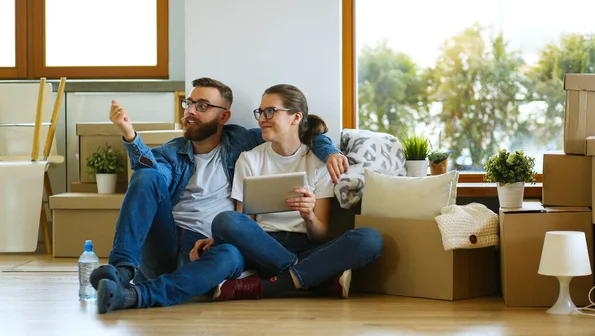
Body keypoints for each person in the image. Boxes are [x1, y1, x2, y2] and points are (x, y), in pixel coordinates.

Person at [91, 77, 348, 314]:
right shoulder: (170, 153)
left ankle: (131, 296)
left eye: (202, 106)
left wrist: (331, 153)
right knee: (146, 175)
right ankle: (122, 271)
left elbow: (299, 132)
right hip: (166, 241)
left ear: (224, 115)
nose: (190, 111)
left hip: (210, 247)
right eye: (189, 103)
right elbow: (151, 177)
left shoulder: (242, 142)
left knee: (231, 256)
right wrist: (130, 135)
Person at [194, 84, 383, 300]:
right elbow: (243, 221)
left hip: (307, 246)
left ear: (295, 118)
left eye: (270, 111)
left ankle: (272, 284)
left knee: (370, 238)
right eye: (261, 112)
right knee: (226, 220)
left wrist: (309, 215)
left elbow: (320, 234)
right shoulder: (250, 159)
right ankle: (308, 275)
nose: (262, 118)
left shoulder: (319, 163)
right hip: (262, 247)